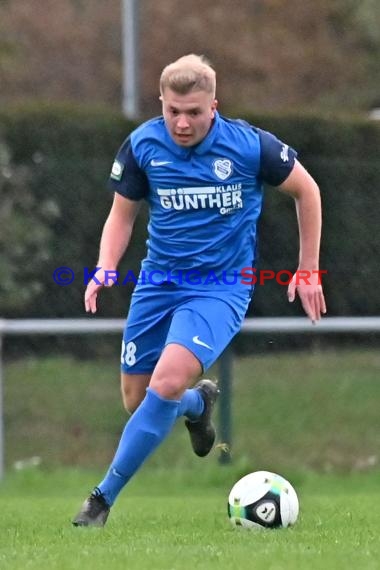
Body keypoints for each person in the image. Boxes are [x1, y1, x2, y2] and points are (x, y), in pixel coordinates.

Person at [72, 54, 326, 527]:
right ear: (161, 104)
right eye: (173, 111)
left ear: (214, 106)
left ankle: (100, 501)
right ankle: (198, 403)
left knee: (165, 382)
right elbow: (121, 216)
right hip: (157, 282)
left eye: (193, 112)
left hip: (221, 288)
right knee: (140, 398)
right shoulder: (142, 145)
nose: (182, 123)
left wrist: (307, 269)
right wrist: (106, 266)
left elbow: (307, 190)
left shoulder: (250, 147)